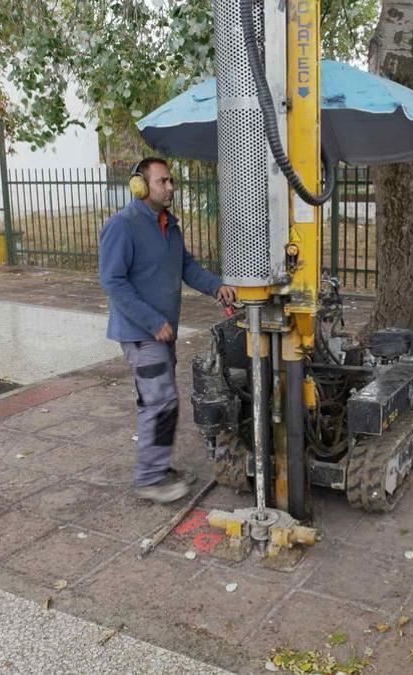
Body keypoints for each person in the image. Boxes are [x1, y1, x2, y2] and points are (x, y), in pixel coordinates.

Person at [99, 157, 237, 503]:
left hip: (163, 333)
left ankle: (156, 467)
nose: (170, 187)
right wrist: (152, 321)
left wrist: (216, 286)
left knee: (159, 401)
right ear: (140, 186)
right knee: (160, 402)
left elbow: (186, 267)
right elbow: (112, 281)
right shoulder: (124, 225)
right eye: (162, 181)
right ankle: (149, 478)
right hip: (142, 333)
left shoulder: (168, 225)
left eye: (171, 180)